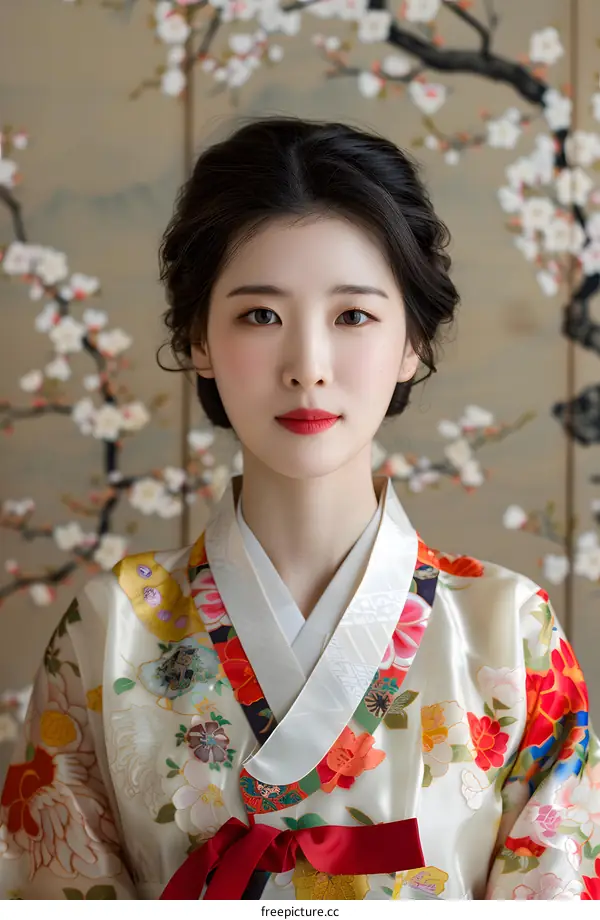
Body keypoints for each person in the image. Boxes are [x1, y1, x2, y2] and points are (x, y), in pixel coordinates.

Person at [1, 117, 599, 901]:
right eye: (260, 315)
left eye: (353, 316)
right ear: (199, 338)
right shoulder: (110, 628)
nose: (308, 368)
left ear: (412, 342)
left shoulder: (507, 631)